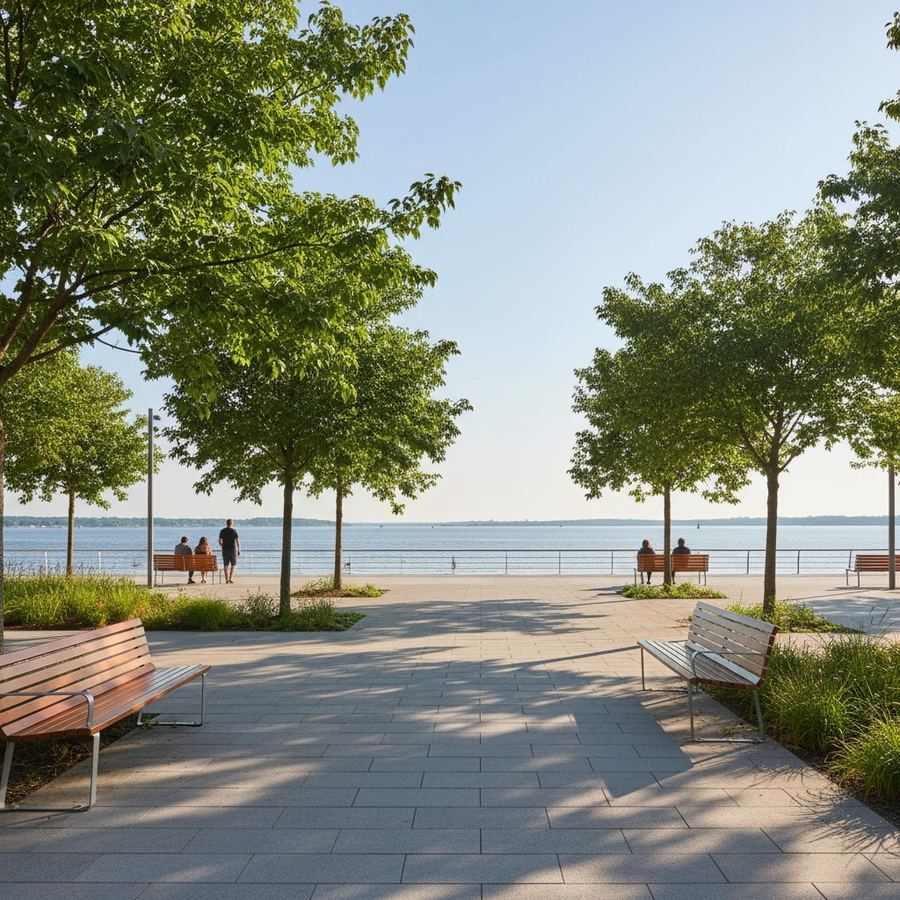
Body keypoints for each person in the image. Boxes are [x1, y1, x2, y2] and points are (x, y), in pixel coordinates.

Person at [218, 519, 241, 584]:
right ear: (232, 524)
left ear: (226, 523)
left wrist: (222, 545)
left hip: (225, 549)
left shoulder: (222, 531)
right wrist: (239, 549)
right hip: (232, 549)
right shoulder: (234, 531)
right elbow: (237, 541)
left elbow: (220, 541)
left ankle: (226, 579)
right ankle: (230, 578)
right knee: (233, 565)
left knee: (225, 565)